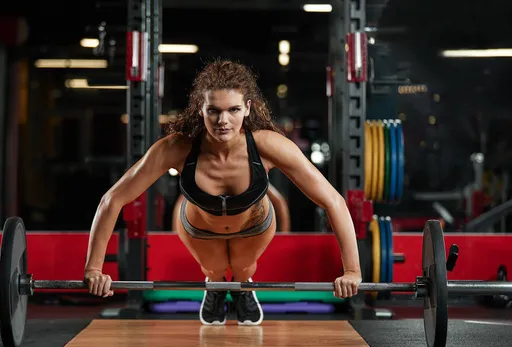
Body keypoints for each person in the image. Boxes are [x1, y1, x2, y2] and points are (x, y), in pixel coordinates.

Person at [83, 59, 363, 326]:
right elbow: (113, 198)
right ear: (200, 109)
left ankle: (242, 288)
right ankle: (215, 287)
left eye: (234, 110)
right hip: (198, 227)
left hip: (255, 225)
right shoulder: (177, 148)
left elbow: (333, 201)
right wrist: (94, 268)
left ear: (248, 108)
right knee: (214, 270)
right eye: (213, 110)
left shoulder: (268, 146)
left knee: (243, 268)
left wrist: (352, 270)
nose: (223, 120)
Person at [171, 182, 291, 233]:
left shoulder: (249, 177)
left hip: (245, 235)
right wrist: (176, 236)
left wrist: (283, 236)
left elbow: (278, 202)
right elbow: (183, 201)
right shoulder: (203, 176)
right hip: (210, 235)